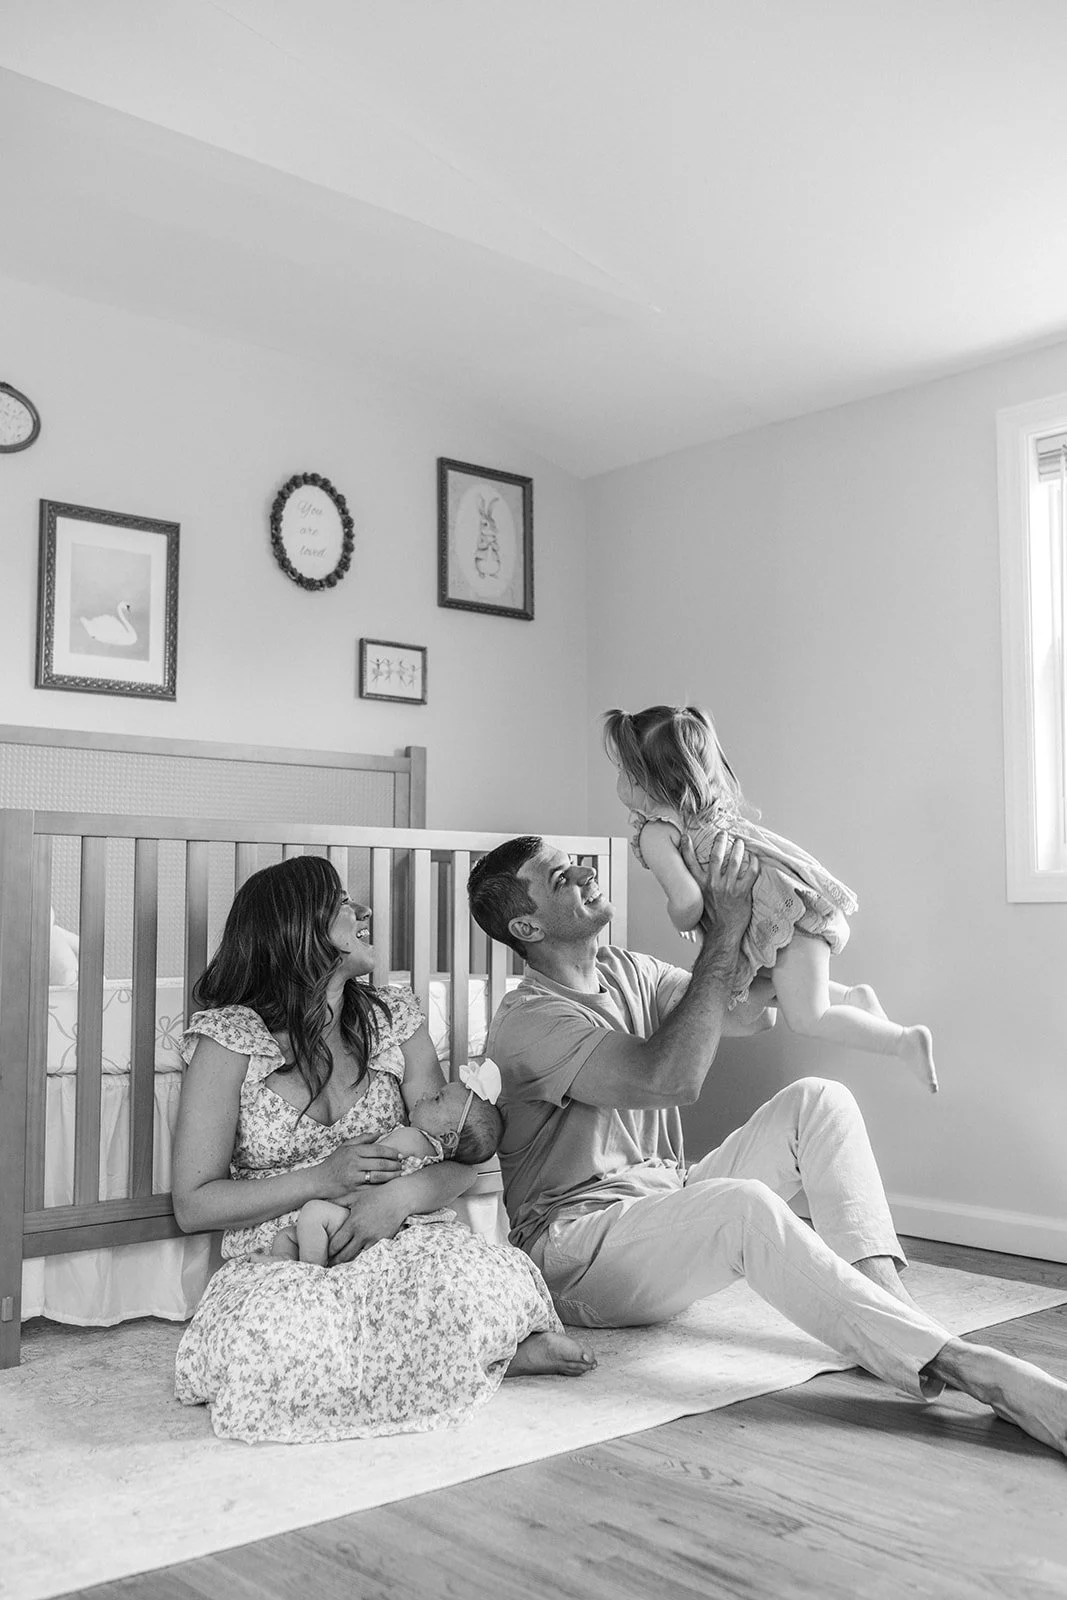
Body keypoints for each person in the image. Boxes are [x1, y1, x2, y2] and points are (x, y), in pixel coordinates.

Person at [467, 833, 1067, 1458]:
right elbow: (667, 1079)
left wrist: (771, 908)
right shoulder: (529, 1021)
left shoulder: (625, 970)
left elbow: (747, 1008)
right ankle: (974, 1371)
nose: (585, 873)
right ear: (526, 924)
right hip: (576, 1249)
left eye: (577, 864)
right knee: (742, 1205)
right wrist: (721, 938)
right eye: (560, 877)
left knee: (820, 1100)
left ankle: (892, 1314)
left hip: (662, 1201)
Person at [171, 856, 595, 1445]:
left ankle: (481, 1349)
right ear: (296, 926)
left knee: (467, 1278)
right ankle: (477, 1357)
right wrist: (323, 1177)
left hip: (399, 1231)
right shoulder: (229, 1039)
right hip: (289, 1254)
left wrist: (394, 1201)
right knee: (272, 1336)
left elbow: (456, 1153)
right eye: (342, 903)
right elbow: (194, 1204)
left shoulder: (395, 1020)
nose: (363, 912)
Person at [604, 705, 936, 1092]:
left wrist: (682, 917)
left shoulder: (656, 833)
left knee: (808, 1017)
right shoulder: (709, 814)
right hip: (785, 905)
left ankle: (902, 1041)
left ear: (649, 782)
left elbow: (688, 901)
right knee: (780, 987)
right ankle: (853, 997)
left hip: (775, 918)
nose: (620, 783)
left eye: (625, 774)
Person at [269, 1066, 505, 1267]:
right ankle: (287, 1265)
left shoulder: (413, 1138)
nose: (424, 1095)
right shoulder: (428, 1151)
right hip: (362, 1216)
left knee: (312, 1215)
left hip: (363, 1215)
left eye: (436, 1099)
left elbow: (367, 1165)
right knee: (289, 1236)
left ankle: (311, 1276)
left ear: (448, 1138)